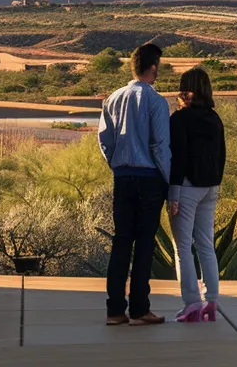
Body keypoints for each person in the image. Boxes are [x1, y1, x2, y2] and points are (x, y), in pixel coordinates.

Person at [97, 43, 172, 326]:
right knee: (144, 245)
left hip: (123, 178)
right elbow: (160, 146)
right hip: (150, 180)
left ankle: (115, 310)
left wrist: (116, 164)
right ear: (154, 67)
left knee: (121, 242)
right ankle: (140, 308)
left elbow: (105, 140)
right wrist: (167, 179)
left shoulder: (113, 99)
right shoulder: (156, 102)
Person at [167, 66, 225, 323]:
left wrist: (174, 190)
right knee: (205, 245)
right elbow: (222, 155)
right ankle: (211, 300)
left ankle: (191, 302)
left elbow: (177, 157)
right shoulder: (214, 118)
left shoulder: (180, 119)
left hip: (187, 187)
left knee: (182, 248)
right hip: (210, 187)